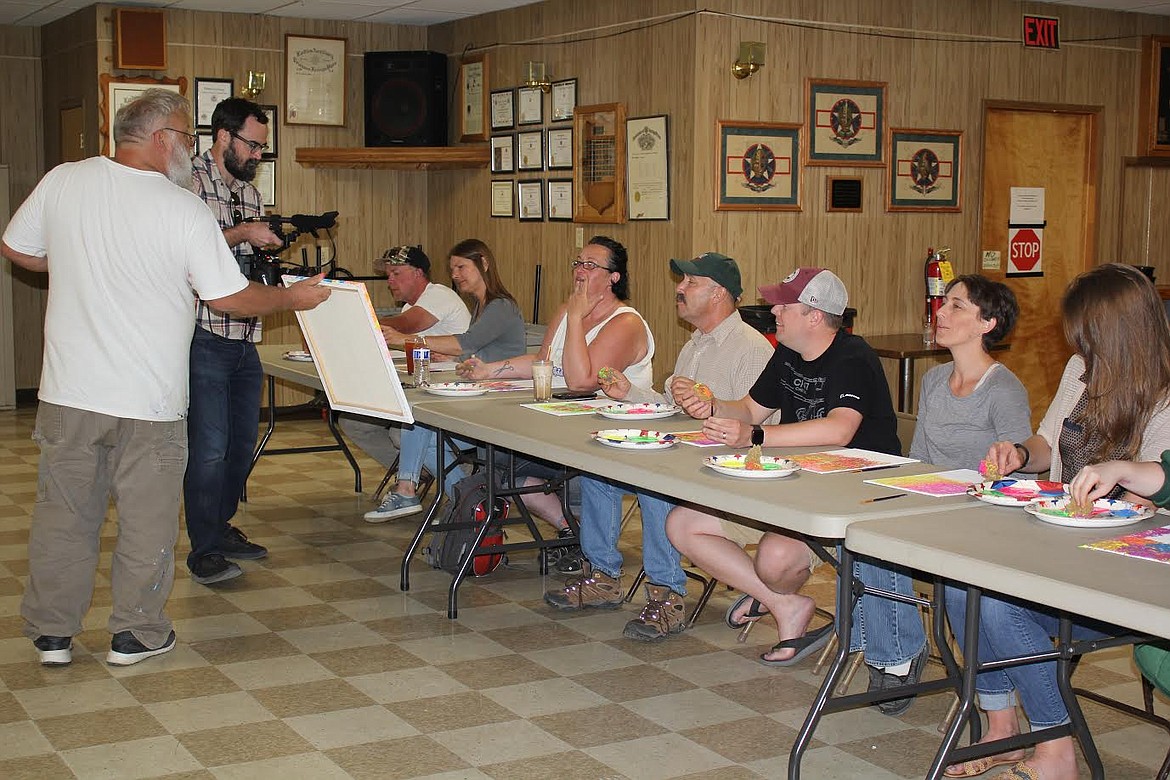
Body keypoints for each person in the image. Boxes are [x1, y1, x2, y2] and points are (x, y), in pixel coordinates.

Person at [1, 89, 329, 668]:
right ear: (159, 139)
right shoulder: (182, 208)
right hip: (148, 401)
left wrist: (81, 258)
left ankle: (53, 636)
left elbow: (17, 248)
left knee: (64, 516)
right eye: (185, 136)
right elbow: (228, 297)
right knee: (146, 522)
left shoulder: (63, 180)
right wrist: (294, 298)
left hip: (67, 395)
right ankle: (136, 634)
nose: (190, 148)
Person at [947, 263, 1170, 780]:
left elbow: (1160, 484)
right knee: (963, 587)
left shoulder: (1162, 392)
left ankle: (1055, 746)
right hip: (1059, 549)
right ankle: (1002, 730)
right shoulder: (1079, 370)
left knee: (999, 606)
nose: (1079, 349)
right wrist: (1020, 454)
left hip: (1125, 573)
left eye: (1087, 337)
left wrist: (1118, 476)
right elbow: (1049, 446)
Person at [666, 267, 900, 666]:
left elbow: (840, 429)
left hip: (849, 496)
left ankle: (780, 598)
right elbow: (751, 408)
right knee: (684, 525)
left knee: (774, 561)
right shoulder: (788, 353)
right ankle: (784, 605)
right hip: (792, 487)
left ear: (814, 315)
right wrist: (711, 404)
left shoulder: (854, 356)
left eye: (784, 304)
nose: (773, 310)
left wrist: (754, 436)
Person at [543, 252, 775, 643]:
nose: (679, 289)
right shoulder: (698, 343)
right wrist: (628, 391)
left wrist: (710, 403)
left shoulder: (750, 348)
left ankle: (667, 594)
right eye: (681, 281)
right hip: (690, 454)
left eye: (690, 282)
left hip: (729, 467)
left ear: (719, 293)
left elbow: (759, 423)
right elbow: (672, 408)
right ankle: (603, 576)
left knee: (654, 484)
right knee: (600, 468)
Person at [859, 274, 1030, 715]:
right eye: (945, 303)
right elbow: (919, 460)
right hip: (934, 503)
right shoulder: (934, 380)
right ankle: (896, 650)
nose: (943, 313)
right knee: (862, 537)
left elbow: (1016, 466)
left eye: (958, 306)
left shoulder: (1003, 389)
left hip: (980, 514)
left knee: (884, 548)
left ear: (986, 324)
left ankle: (900, 653)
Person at [457, 236, 654, 553]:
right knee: (493, 457)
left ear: (614, 277)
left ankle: (583, 533)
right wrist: (489, 370)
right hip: (557, 428)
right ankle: (569, 528)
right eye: (578, 263)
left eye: (591, 265)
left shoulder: (625, 322)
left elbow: (580, 381)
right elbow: (542, 364)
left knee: (501, 462)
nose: (580, 270)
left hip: (599, 443)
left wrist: (576, 317)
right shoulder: (566, 310)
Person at [183, 97, 285, 586]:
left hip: (245, 337)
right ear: (223, 136)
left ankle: (221, 527)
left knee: (242, 445)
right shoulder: (186, 183)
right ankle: (202, 548)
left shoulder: (249, 193)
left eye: (263, 147)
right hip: (203, 335)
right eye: (254, 144)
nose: (259, 156)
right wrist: (243, 231)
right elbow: (185, 250)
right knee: (209, 448)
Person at [368, 239, 526, 521]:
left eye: (461, 267)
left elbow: (468, 342)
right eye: (452, 268)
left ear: (484, 264)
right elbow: (476, 352)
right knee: (418, 426)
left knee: (417, 420)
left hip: (501, 401)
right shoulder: (482, 306)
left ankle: (430, 495)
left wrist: (410, 340)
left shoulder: (501, 306)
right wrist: (452, 359)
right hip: (484, 393)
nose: (455, 274)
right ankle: (468, 504)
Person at [338, 244, 471, 507]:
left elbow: (404, 327)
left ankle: (462, 488)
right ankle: (418, 473)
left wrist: (346, 321)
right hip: (420, 389)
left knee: (401, 434)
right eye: (388, 274)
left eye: (396, 273)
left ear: (419, 273)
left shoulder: (438, 296)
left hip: (450, 398)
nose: (390, 281)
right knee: (354, 422)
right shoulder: (408, 306)